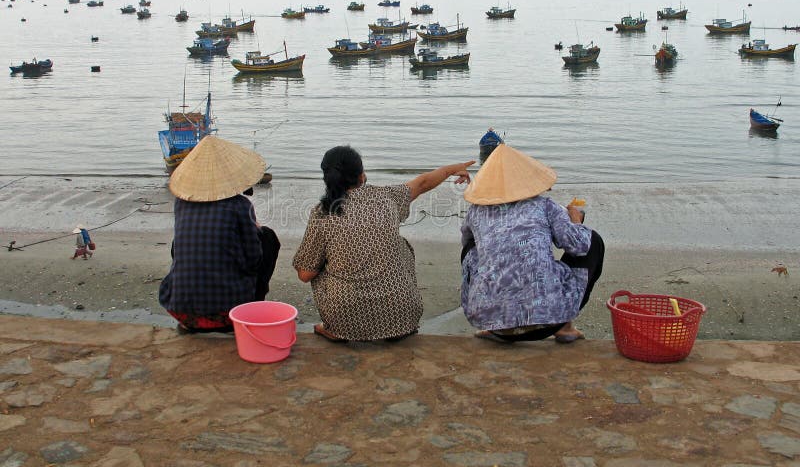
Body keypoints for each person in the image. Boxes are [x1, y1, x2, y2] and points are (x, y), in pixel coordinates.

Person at [293, 145, 473, 342]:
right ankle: (393, 326)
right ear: (362, 175)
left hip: (345, 319)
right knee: (401, 246)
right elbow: (422, 183)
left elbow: (305, 274)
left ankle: (336, 330)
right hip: (402, 313)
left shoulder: (322, 213)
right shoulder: (387, 197)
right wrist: (452, 169)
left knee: (313, 265)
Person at [459, 144, 604, 344]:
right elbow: (577, 245)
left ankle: (493, 321)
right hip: (551, 320)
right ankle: (566, 327)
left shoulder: (475, 211)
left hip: (494, 324)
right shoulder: (545, 206)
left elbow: (467, 243)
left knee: (469, 247)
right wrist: (576, 220)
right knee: (591, 240)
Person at [158, 136, 280, 334]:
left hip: (181, 311)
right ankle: (252, 306)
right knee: (268, 238)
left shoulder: (182, 202)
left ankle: (194, 307)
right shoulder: (240, 205)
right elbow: (253, 259)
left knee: (182, 243)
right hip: (228, 313)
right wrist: (254, 230)